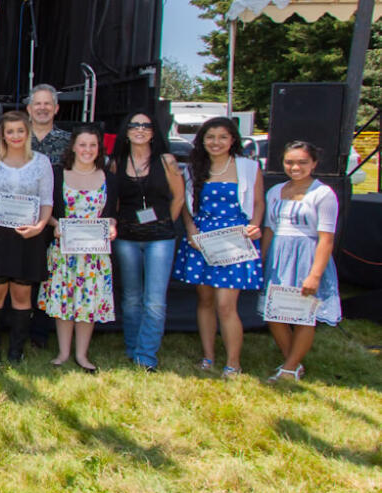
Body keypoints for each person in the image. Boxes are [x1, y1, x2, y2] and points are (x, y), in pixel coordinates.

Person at [172, 116, 264, 378]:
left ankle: (233, 362)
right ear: (202, 140)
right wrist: (191, 231)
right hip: (202, 240)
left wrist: (255, 225)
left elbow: (258, 203)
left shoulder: (248, 167)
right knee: (205, 300)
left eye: (222, 137)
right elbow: (186, 207)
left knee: (226, 304)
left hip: (235, 239)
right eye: (210, 137)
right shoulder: (192, 169)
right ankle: (208, 356)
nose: (216, 142)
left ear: (233, 139)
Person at [259, 141, 341, 382]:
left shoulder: (323, 194)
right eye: (290, 162)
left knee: (303, 314)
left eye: (302, 162)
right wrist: (261, 261)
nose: (295, 167)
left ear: (314, 164)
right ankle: (292, 362)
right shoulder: (274, 191)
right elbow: (270, 230)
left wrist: (315, 274)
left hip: (306, 257)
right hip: (278, 257)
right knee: (274, 313)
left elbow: (326, 239)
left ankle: (290, 367)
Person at [0, 110, 53, 364]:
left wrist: (40, 226)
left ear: (28, 133)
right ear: (2, 135)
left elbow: (47, 201)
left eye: (20, 130)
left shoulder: (42, 162)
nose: (16, 136)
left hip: (27, 236)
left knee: (22, 295)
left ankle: (16, 349)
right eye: (10, 131)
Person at [109, 110, 184, 371]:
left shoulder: (166, 161)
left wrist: (164, 223)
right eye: (134, 125)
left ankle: (146, 355)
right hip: (126, 238)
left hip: (160, 238)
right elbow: (114, 202)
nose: (140, 129)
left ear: (154, 132)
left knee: (154, 299)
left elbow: (179, 198)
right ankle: (133, 347)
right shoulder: (117, 162)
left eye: (146, 126)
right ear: (126, 131)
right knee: (130, 297)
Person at [39, 124, 116, 373]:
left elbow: (113, 214)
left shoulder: (109, 178)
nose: (87, 150)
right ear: (73, 146)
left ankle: (82, 355)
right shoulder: (58, 175)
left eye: (93, 145)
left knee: (88, 304)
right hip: (64, 250)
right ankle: (63, 352)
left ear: (99, 149)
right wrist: (54, 224)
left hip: (94, 255)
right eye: (83, 144)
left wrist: (112, 226)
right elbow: (47, 209)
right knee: (64, 303)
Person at [25, 83, 71, 348]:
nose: (42, 108)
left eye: (47, 104)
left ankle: (40, 331)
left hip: (56, 219)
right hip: (17, 216)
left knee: (48, 274)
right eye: (37, 104)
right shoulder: (16, 136)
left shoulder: (68, 142)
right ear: (29, 109)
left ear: (56, 109)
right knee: (18, 273)